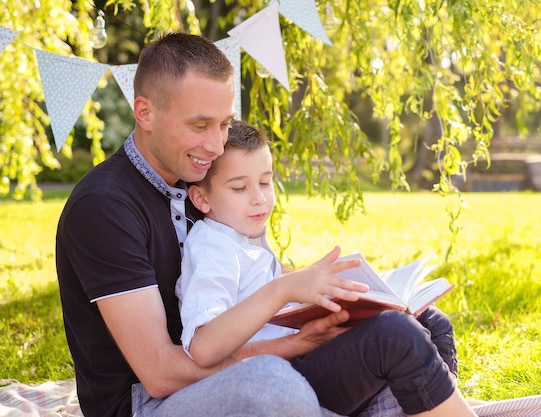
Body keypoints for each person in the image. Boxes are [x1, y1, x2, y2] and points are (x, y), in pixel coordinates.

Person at [55, 32, 366, 417]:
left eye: (224, 124)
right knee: (271, 383)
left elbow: (238, 278)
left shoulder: (200, 179)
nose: (218, 146)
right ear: (145, 113)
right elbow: (160, 374)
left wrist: (312, 295)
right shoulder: (103, 207)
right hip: (148, 403)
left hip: (231, 366)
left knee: (398, 334)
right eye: (200, 125)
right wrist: (293, 345)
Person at [176, 120, 479, 417]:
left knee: (429, 318)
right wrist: (284, 294)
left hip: (299, 354)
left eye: (265, 182)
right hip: (281, 377)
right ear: (202, 198)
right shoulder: (212, 246)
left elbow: (258, 290)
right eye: (240, 187)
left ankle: (437, 403)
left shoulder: (242, 231)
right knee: (394, 336)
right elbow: (203, 348)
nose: (259, 198)